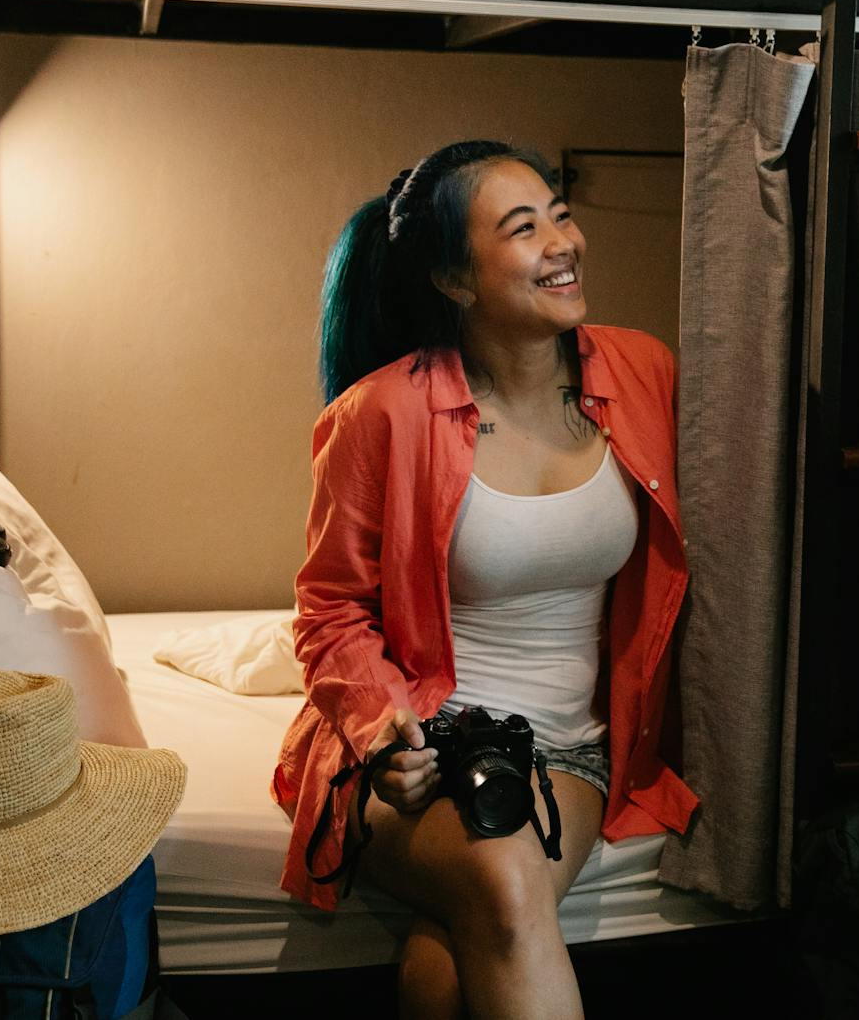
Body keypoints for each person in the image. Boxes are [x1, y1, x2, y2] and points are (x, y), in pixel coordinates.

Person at [272, 140, 696, 1020]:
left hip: (570, 747)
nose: (563, 242)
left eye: (561, 215)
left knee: (464, 938)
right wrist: (384, 736)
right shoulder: (384, 411)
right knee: (501, 886)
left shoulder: (643, 373)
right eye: (523, 227)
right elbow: (330, 611)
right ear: (455, 280)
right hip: (417, 748)